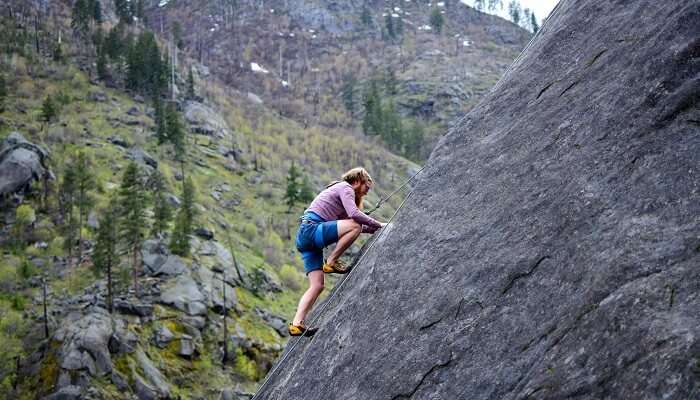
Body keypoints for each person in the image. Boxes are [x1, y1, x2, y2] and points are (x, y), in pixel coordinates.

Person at [289, 167, 386, 336]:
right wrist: (377, 224)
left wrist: (377, 228)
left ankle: (296, 324)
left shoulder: (338, 195)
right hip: (312, 230)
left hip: (306, 238)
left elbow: (350, 225)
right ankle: (332, 261)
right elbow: (354, 217)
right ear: (356, 182)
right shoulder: (345, 188)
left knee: (317, 285)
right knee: (354, 224)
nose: (367, 193)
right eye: (366, 188)